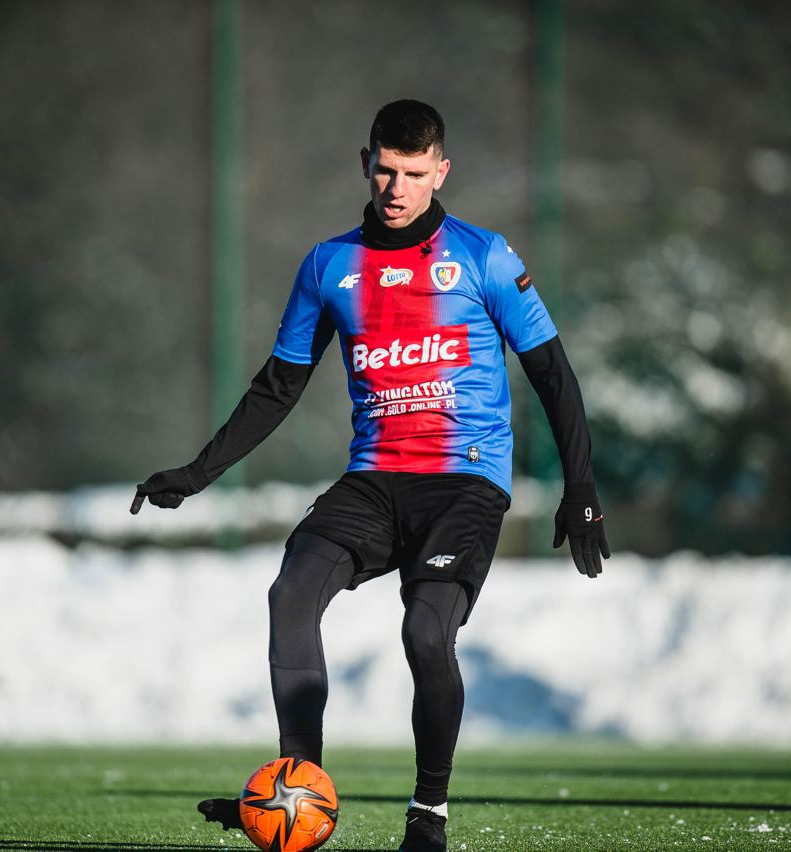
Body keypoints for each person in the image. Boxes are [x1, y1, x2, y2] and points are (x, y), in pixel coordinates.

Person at [131, 100, 609, 852]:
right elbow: (278, 386)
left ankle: (429, 813)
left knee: (425, 631)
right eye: (386, 170)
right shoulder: (329, 265)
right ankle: (299, 792)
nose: (397, 188)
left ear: (440, 172)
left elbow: (553, 373)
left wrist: (580, 490)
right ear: (366, 164)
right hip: (375, 480)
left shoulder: (484, 257)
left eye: (414, 174)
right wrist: (197, 473)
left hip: (465, 480)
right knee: (291, 594)